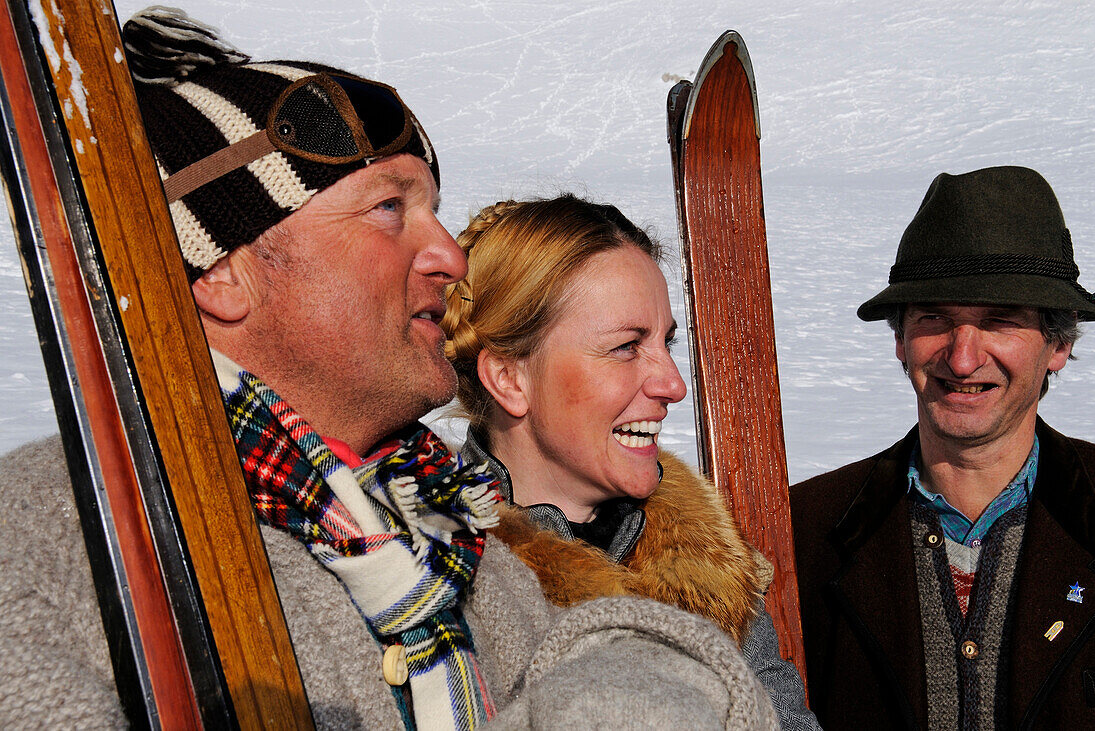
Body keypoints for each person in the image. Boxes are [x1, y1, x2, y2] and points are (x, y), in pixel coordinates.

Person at [0, 8, 781, 729]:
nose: (449, 255)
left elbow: (604, 658)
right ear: (222, 271)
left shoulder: (460, 545)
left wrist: (647, 671)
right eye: (388, 209)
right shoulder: (52, 542)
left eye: (434, 211)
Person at [441, 195, 819, 729]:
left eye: (666, 342)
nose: (673, 384)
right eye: (626, 347)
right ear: (509, 378)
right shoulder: (442, 578)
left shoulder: (709, 561)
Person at [790, 165, 1095, 728]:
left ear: (1058, 343)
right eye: (936, 318)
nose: (961, 359)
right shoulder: (801, 532)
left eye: (999, 320)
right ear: (901, 340)